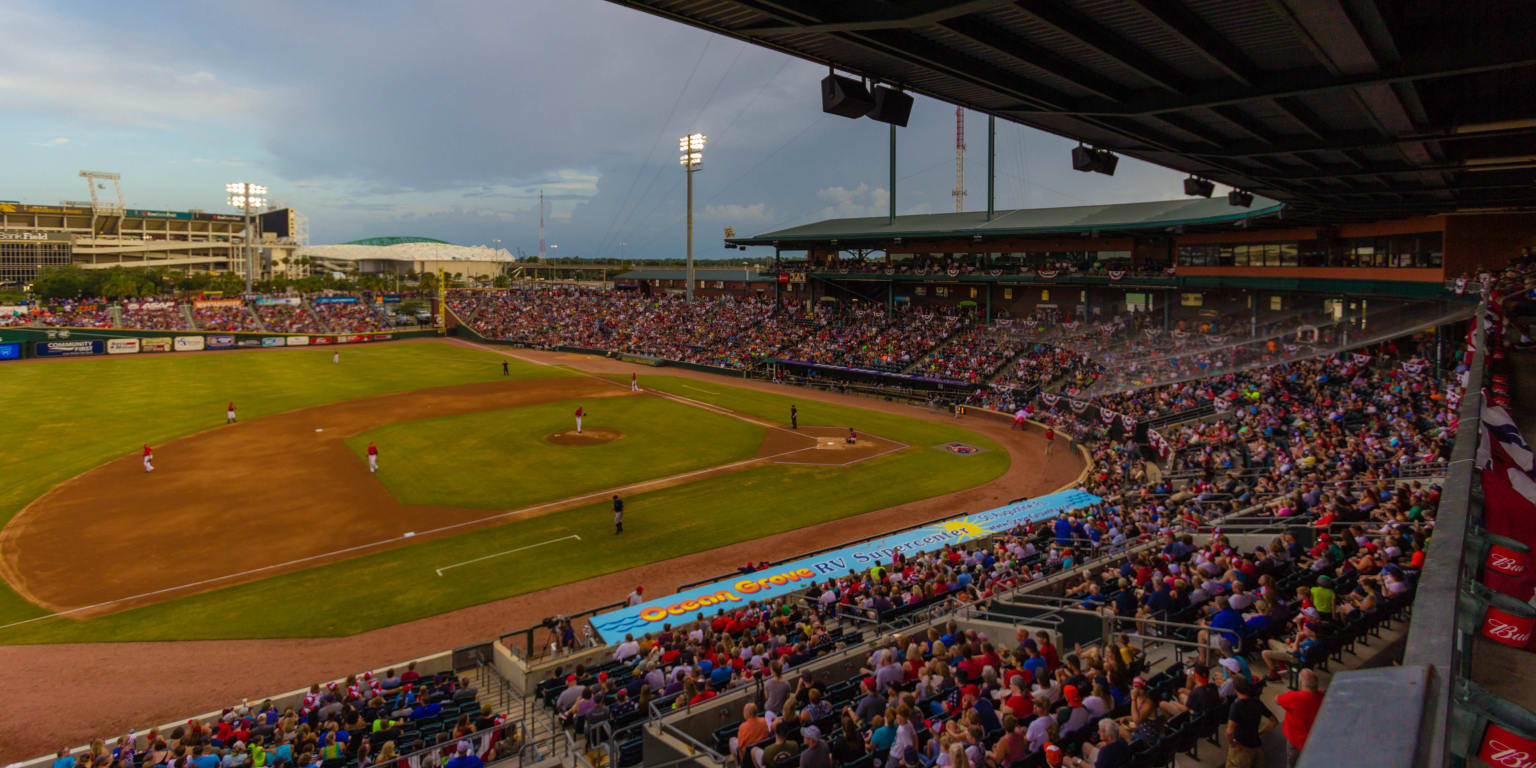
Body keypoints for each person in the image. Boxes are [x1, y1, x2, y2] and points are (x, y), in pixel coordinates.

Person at [1275, 669, 1324, 767]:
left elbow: (1277, 700)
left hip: (1295, 740)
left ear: (1301, 682)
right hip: (1314, 739)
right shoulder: (1321, 695)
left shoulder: (1294, 697)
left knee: (1292, 761)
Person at [1226, 676, 1278, 768]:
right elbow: (1274, 721)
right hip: (1256, 746)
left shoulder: (1236, 706)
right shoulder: (1257, 702)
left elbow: (1229, 731)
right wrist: (1259, 733)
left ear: (1235, 688)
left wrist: (1232, 744)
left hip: (1242, 749)